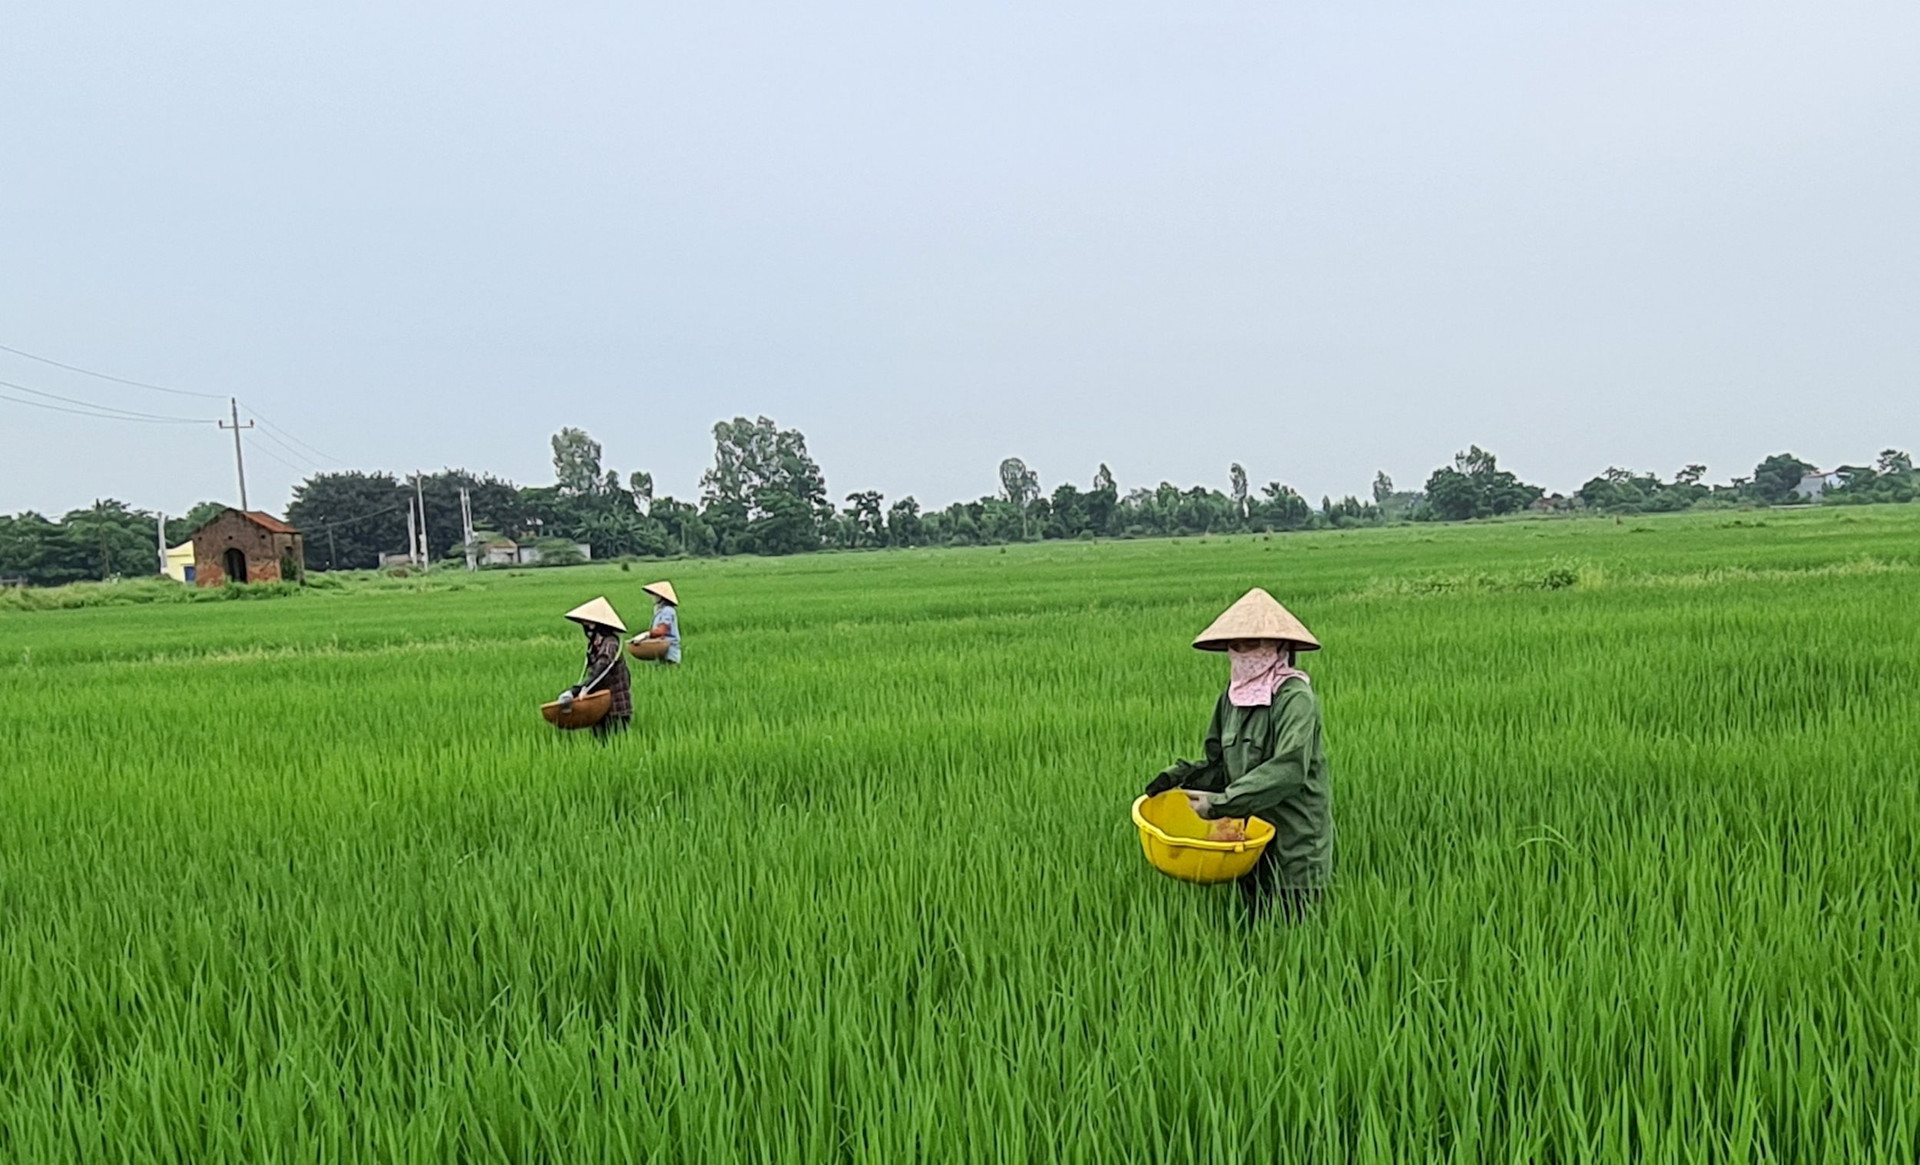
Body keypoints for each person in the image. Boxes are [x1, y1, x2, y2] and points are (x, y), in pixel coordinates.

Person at [1145, 587, 1332, 921]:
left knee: (1295, 940)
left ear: (1278, 647)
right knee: (1254, 931)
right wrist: (1178, 777)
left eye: (1253, 644)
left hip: (1294, 847)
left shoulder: (1294, 698)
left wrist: (1219, 804)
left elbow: (1289, 768)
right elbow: (1218, 763)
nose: (1242, 652)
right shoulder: (1230, 699)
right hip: (1246, 845)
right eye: (1236, 645)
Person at [559, 596, 631, 738]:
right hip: (600, 703)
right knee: (599, 740)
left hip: (616, 704)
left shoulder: (610, 643)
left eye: (588, 621)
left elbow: (602, 669)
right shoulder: (595, 643)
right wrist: (576, 691)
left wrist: (582, 689)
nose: (585, 624)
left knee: (615, 742)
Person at [628, 580, 681, 664]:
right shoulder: (660, 610)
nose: (652, 597)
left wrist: (646, 635)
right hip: (661, 651)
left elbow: (662, 630)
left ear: (660, 596)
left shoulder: (667, 611)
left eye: (654, 595)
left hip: (669, 653)